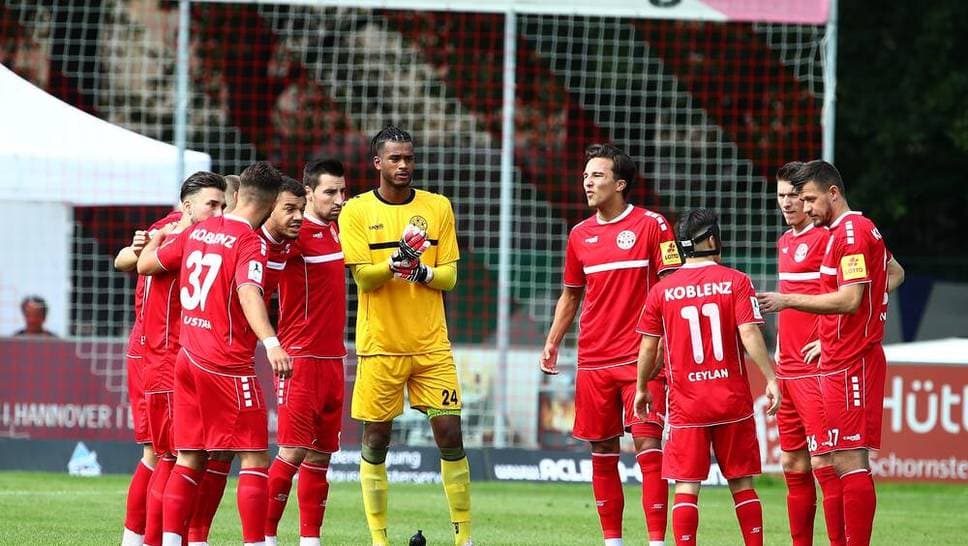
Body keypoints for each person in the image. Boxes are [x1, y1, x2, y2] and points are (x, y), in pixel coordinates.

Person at [757, 160, 905, 546]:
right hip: (825, 359)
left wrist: (789, 301)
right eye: (790, 197)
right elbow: (870, 287)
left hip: (847, 359)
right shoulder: (839, 232)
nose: (800, 206)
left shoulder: (849, 234)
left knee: (844, 460)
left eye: (807, 198)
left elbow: (855, 296)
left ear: (832, 193)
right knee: (826, 459)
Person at [540, 144, 680, 546]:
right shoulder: (579, 235)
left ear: (620, 184)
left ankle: (656, 541)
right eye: (585, 176)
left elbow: (672, 287)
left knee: (648, 443)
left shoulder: (653, 226)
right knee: (602, 449)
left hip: (642, 357)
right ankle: (612, 541)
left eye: (597, 175)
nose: (588, 182)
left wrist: (666, 342)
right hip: (594, 359)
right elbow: (571, 295)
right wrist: (552, 341)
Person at [338, 125, 471, 546]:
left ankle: (463, 536)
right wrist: (397, 261)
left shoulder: (437, 206)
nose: (403, 165)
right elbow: (364, 278)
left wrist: (422, 271)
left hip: (431, 345)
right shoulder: (356, 211)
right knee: (377, 438)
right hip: (380, 346)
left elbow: (449, 277)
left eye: (409, 158)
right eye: (395, 158)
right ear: (377, 162)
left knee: (450, 433)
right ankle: (379, 538)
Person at [153, 161, 291, 546]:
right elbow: (249, 292)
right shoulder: (251, 242)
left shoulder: (199, 229)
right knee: (254, 457)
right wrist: (271, 342)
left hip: (186, 357)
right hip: (225, 362)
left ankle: (172, 542)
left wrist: (150, 240)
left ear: (237, 193)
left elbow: (148, 264)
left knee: (189, 458)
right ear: (271, 204)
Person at [633, 208, 781, 546]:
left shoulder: (662, 291)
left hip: (687, 405)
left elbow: (649, 348)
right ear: (713, 239)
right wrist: (771, 378)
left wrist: (641, 388)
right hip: (731, 401)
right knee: (742, 484)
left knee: (687, 487)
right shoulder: (737, 281)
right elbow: (749, 334)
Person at [135, 171, 227, 546]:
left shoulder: (181, 237)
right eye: (211, 205)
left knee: (182, 458)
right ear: (187, 206)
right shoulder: (180, 239)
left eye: (223, 205)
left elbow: (133, 259)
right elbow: (137, 263)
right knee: (171, 458)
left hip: (185, 362)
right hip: (166, 363)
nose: (218, 213)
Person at [264, 159, 347, 546]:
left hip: (333, 359)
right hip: (299, 358)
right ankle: (263, 538)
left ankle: (310, 540)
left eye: (343, 191)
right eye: (330, 192)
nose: (339, 199)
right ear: (309, 193)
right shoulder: (293, 236)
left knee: (320, 456)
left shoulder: (336, 229)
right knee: (293, 450)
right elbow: (263, 253)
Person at [770, 161, 847, 545]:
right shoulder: (785, 241)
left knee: (824, 462)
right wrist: (777, 358)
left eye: (794, 196)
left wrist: (833, 336)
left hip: (817, 370)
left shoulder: (831, 236)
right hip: (787, 369)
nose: (787, 203)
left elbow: (889, 274)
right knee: (792, 462)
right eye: (781, 196)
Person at [115, 207, 182, 546]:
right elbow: (123, 260)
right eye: (213, 204)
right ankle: (135, 539)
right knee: (158, 453)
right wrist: (137, 247)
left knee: (175, 453)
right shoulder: (170, 228)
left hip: (169, 351)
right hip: (150, 352)